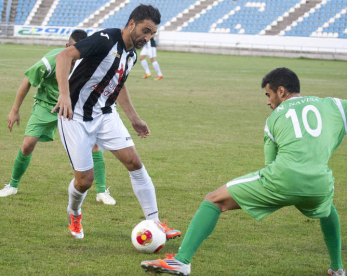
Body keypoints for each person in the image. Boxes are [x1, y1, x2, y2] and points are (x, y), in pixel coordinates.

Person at [141, 68, 345, 276]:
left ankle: (181, 261)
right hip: (320, 184)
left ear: (281, 91)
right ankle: (337, 268)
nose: (268, 102)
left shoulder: (274, 120)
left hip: (283, 179)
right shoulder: (335, 105)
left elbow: (270, 166)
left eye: (269, 94)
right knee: (327, 208)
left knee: (214, 200)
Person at [53, 4, 180, 240]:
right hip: (75, 116)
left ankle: (154, 222)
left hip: (105, 115)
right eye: (145, 30)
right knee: (85, 182)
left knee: (134, 162)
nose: (147, 37)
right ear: (132, 24)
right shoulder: (105, 39)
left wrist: (134, 118)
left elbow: (118, 85)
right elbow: (64, 56)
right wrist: (63, 94)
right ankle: (74, 212)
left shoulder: (131, 53)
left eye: (152, 33)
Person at [0, 30, 116, 206]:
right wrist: (14, 110)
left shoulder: (89, 59)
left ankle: (101, 191)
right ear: (68, 47)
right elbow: (28, 81)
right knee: (27, 145)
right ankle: (13, 185)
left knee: (94, 146)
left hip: (75, 108)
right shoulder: (51, 60)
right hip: (46, 106)